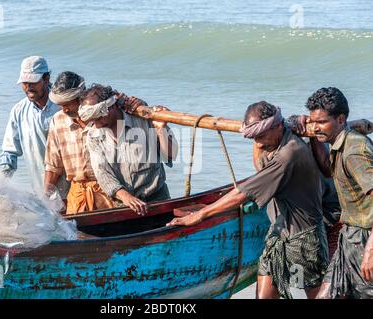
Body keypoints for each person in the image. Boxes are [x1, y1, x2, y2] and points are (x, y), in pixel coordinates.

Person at [167, 101, 328, 299]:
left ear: (278, 126)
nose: (258, 143)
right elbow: (259, 166)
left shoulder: (290, 154)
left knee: (310, 296)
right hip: (278, 233)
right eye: (253, 138)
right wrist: (260, 135)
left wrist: (200, 215)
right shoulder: (277, 141)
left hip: (303, 239)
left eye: (260, 136)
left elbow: (244, 192)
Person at [298, 87, 372, 299]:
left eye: (321, 122)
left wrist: (371, 250)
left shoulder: (355, 151)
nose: (316, 127)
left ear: (341, 120)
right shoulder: (339, 144)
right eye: (313, 122)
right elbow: (327, 169)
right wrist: (312, 136)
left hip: (366, 237)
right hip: (349, 237)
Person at [78, 84, 178, 215]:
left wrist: (160, 129)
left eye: (99, 118)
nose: (97, 124)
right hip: (122, 205)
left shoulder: (144, 120)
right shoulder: (93, 135)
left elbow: (170, 155)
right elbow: (102, 173)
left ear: (112, 107)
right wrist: (126, 197)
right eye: (93, 120)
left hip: (157, 199)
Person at [44, 71, 115, 214]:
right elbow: (53, 165)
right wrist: (45, 195)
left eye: (68, 104)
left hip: (109, 190)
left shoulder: (103, 116)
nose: (64, 109)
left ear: (80, 97)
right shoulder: (58, 120)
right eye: (61, 105)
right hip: (77, 194)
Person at [0, 56, 67, 197]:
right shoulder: (19, 111)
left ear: (46, 79)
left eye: (33, 82)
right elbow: (10, 153)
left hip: (71, 190)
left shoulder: (64, 106)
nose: (28, 87)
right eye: (24, 83)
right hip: (41, 190)